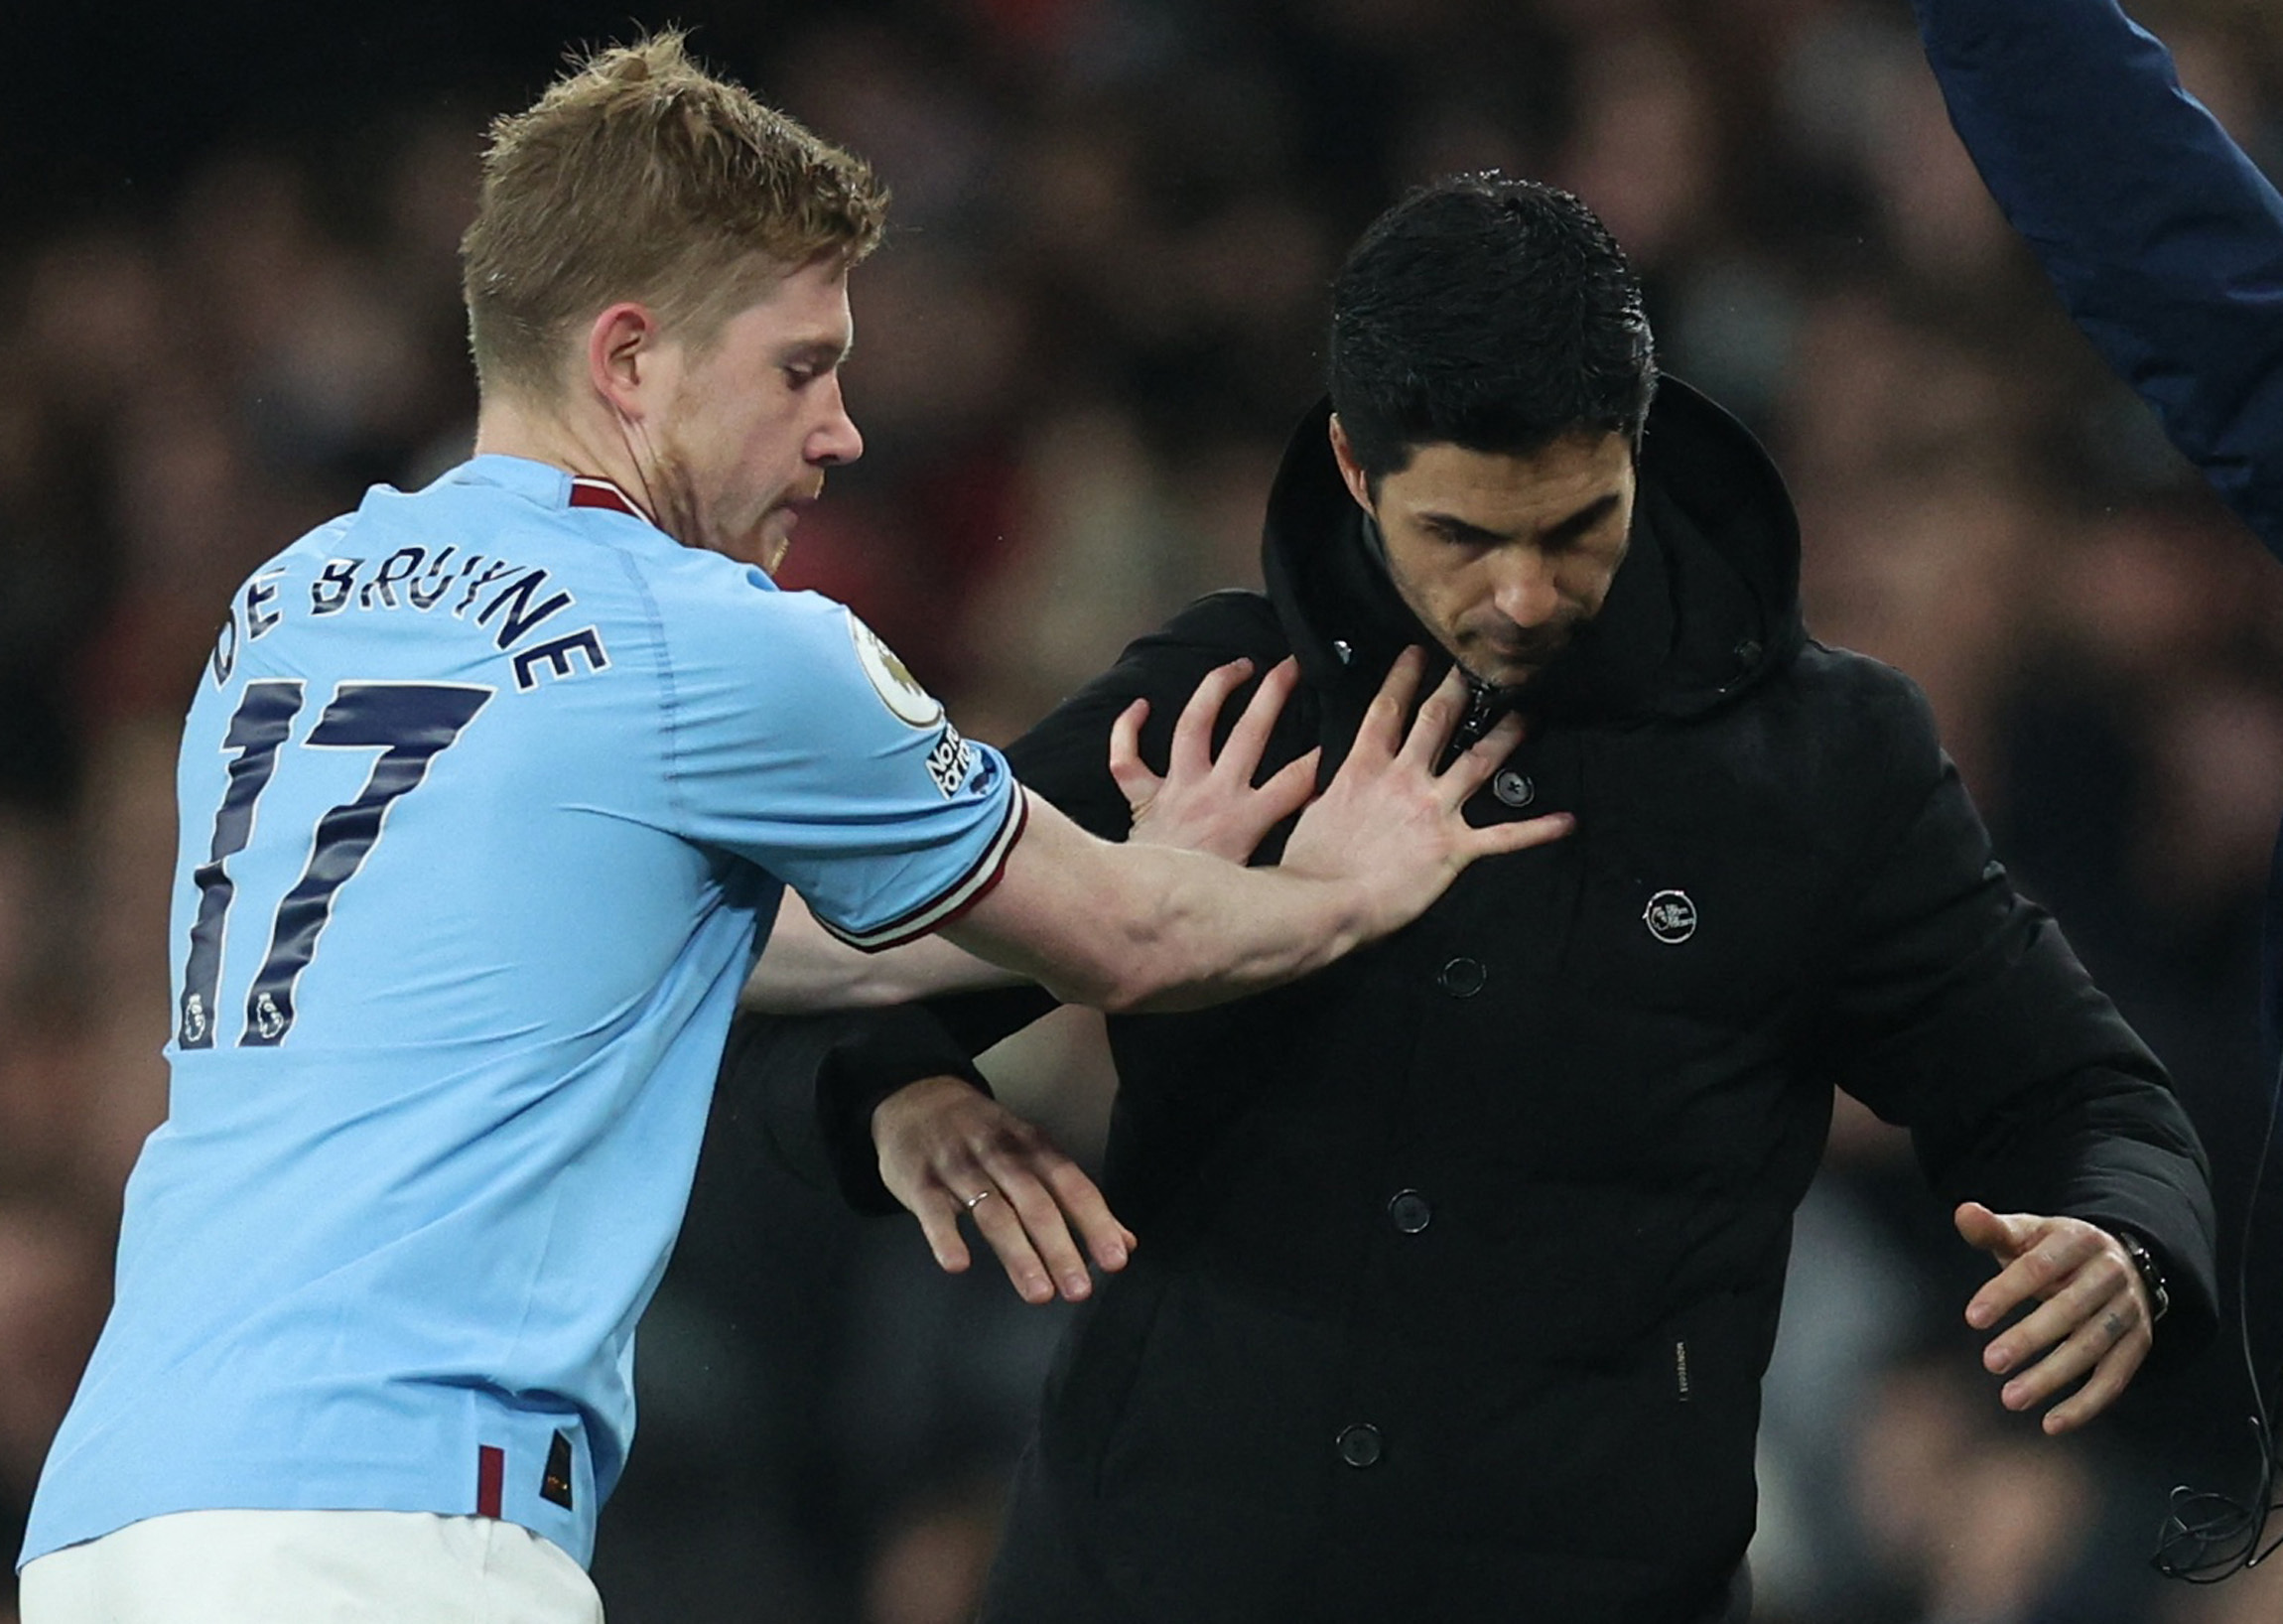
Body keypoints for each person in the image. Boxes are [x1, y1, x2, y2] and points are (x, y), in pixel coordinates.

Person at [10, 39, 1570, 1624]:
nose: (843, 432)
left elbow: (656, 959)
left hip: (113, 1524)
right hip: (391, 1535)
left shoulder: (289, 607)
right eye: (799, 367)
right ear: (630, 361)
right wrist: (1342, 887)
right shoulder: (707, 640)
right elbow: (1133, 945)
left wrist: (1143, 868)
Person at [723, 175, 2222, 1623]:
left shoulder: (1827, 764)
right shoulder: (1221, 701)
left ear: (1637, 447)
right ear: (1359, 472)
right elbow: (826, 976)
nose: (1522, 595)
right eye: (1462, 537)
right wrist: (899, 1101)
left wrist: (2124, 1236)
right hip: (1161, 1575)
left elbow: (2087, 1097)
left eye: (1577, 527)